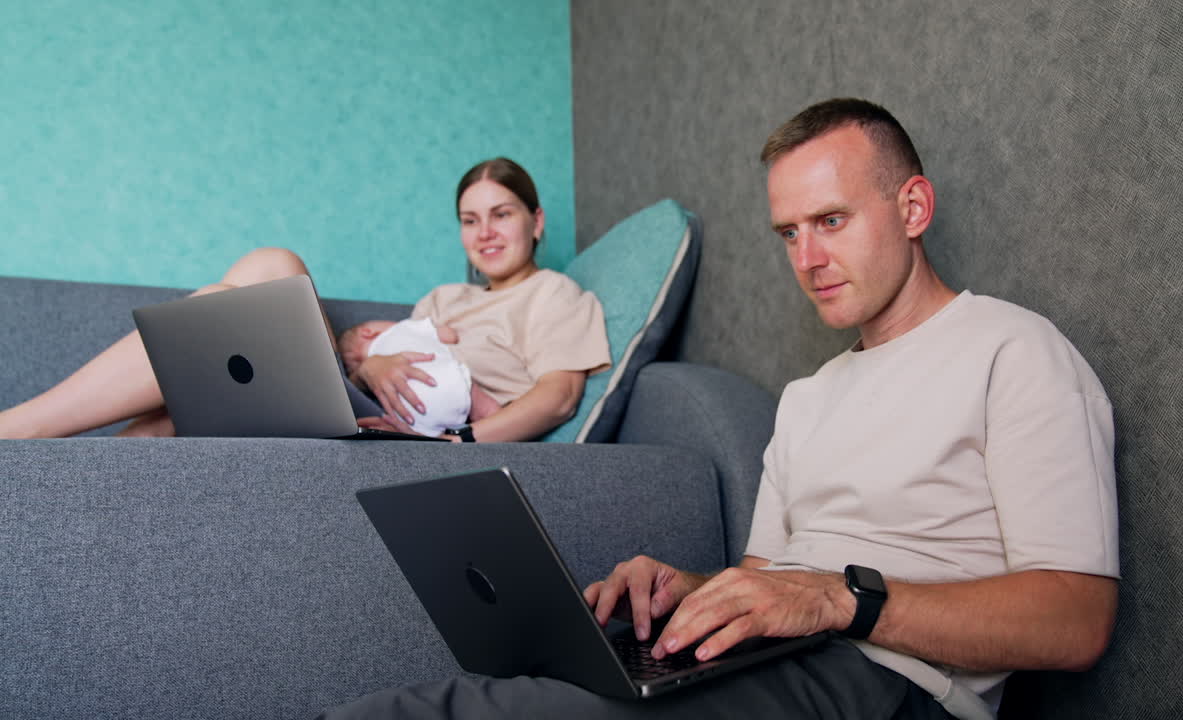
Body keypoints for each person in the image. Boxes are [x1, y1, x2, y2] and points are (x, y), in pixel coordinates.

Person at [316, 98, 1119, 720]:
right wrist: (689, 587)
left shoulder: (1013, 350)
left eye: (832, 221)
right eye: (789, 233)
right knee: (527, 679)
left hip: (894, 687)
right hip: (789, 657)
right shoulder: (809, 397)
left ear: (912, 208)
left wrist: (844, 597)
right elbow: (770, 581)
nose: (808, 259)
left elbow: (1076, 623)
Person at [0, 157, 611, 442]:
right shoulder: (444, 296)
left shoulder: (554, 294)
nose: (484, 232)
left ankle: (20, 431)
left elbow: (557, 399)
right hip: (356, 395)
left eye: (500, 214)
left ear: (536, 220)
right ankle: (98, 461)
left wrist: (464, 445)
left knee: (225, 302)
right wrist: (367, 360)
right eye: (469, 219)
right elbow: (370, 351)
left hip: (395, 430)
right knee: (271, 265)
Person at [337, 318, 501, 437]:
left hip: (417, 416)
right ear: (368, 332)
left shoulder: (376, 378)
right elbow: (449, 336)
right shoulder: (403, 327)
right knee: (488, 411)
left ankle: (429, 434)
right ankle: (499, 429)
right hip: (444, 380)